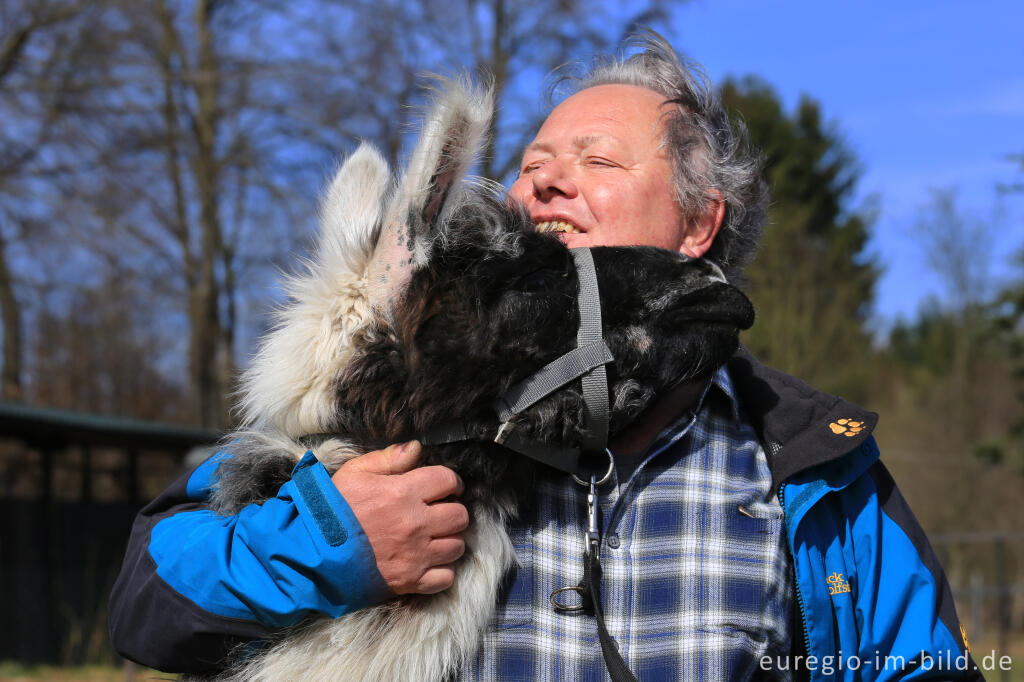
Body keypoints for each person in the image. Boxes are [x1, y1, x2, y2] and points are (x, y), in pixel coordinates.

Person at [109, 33, 980, 680]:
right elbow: (146, 600)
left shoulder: (808, 465)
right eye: (532, 165)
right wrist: (331, 545)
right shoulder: (414, 415)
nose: (544, 183)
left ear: (699, 223)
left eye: (595, 159)